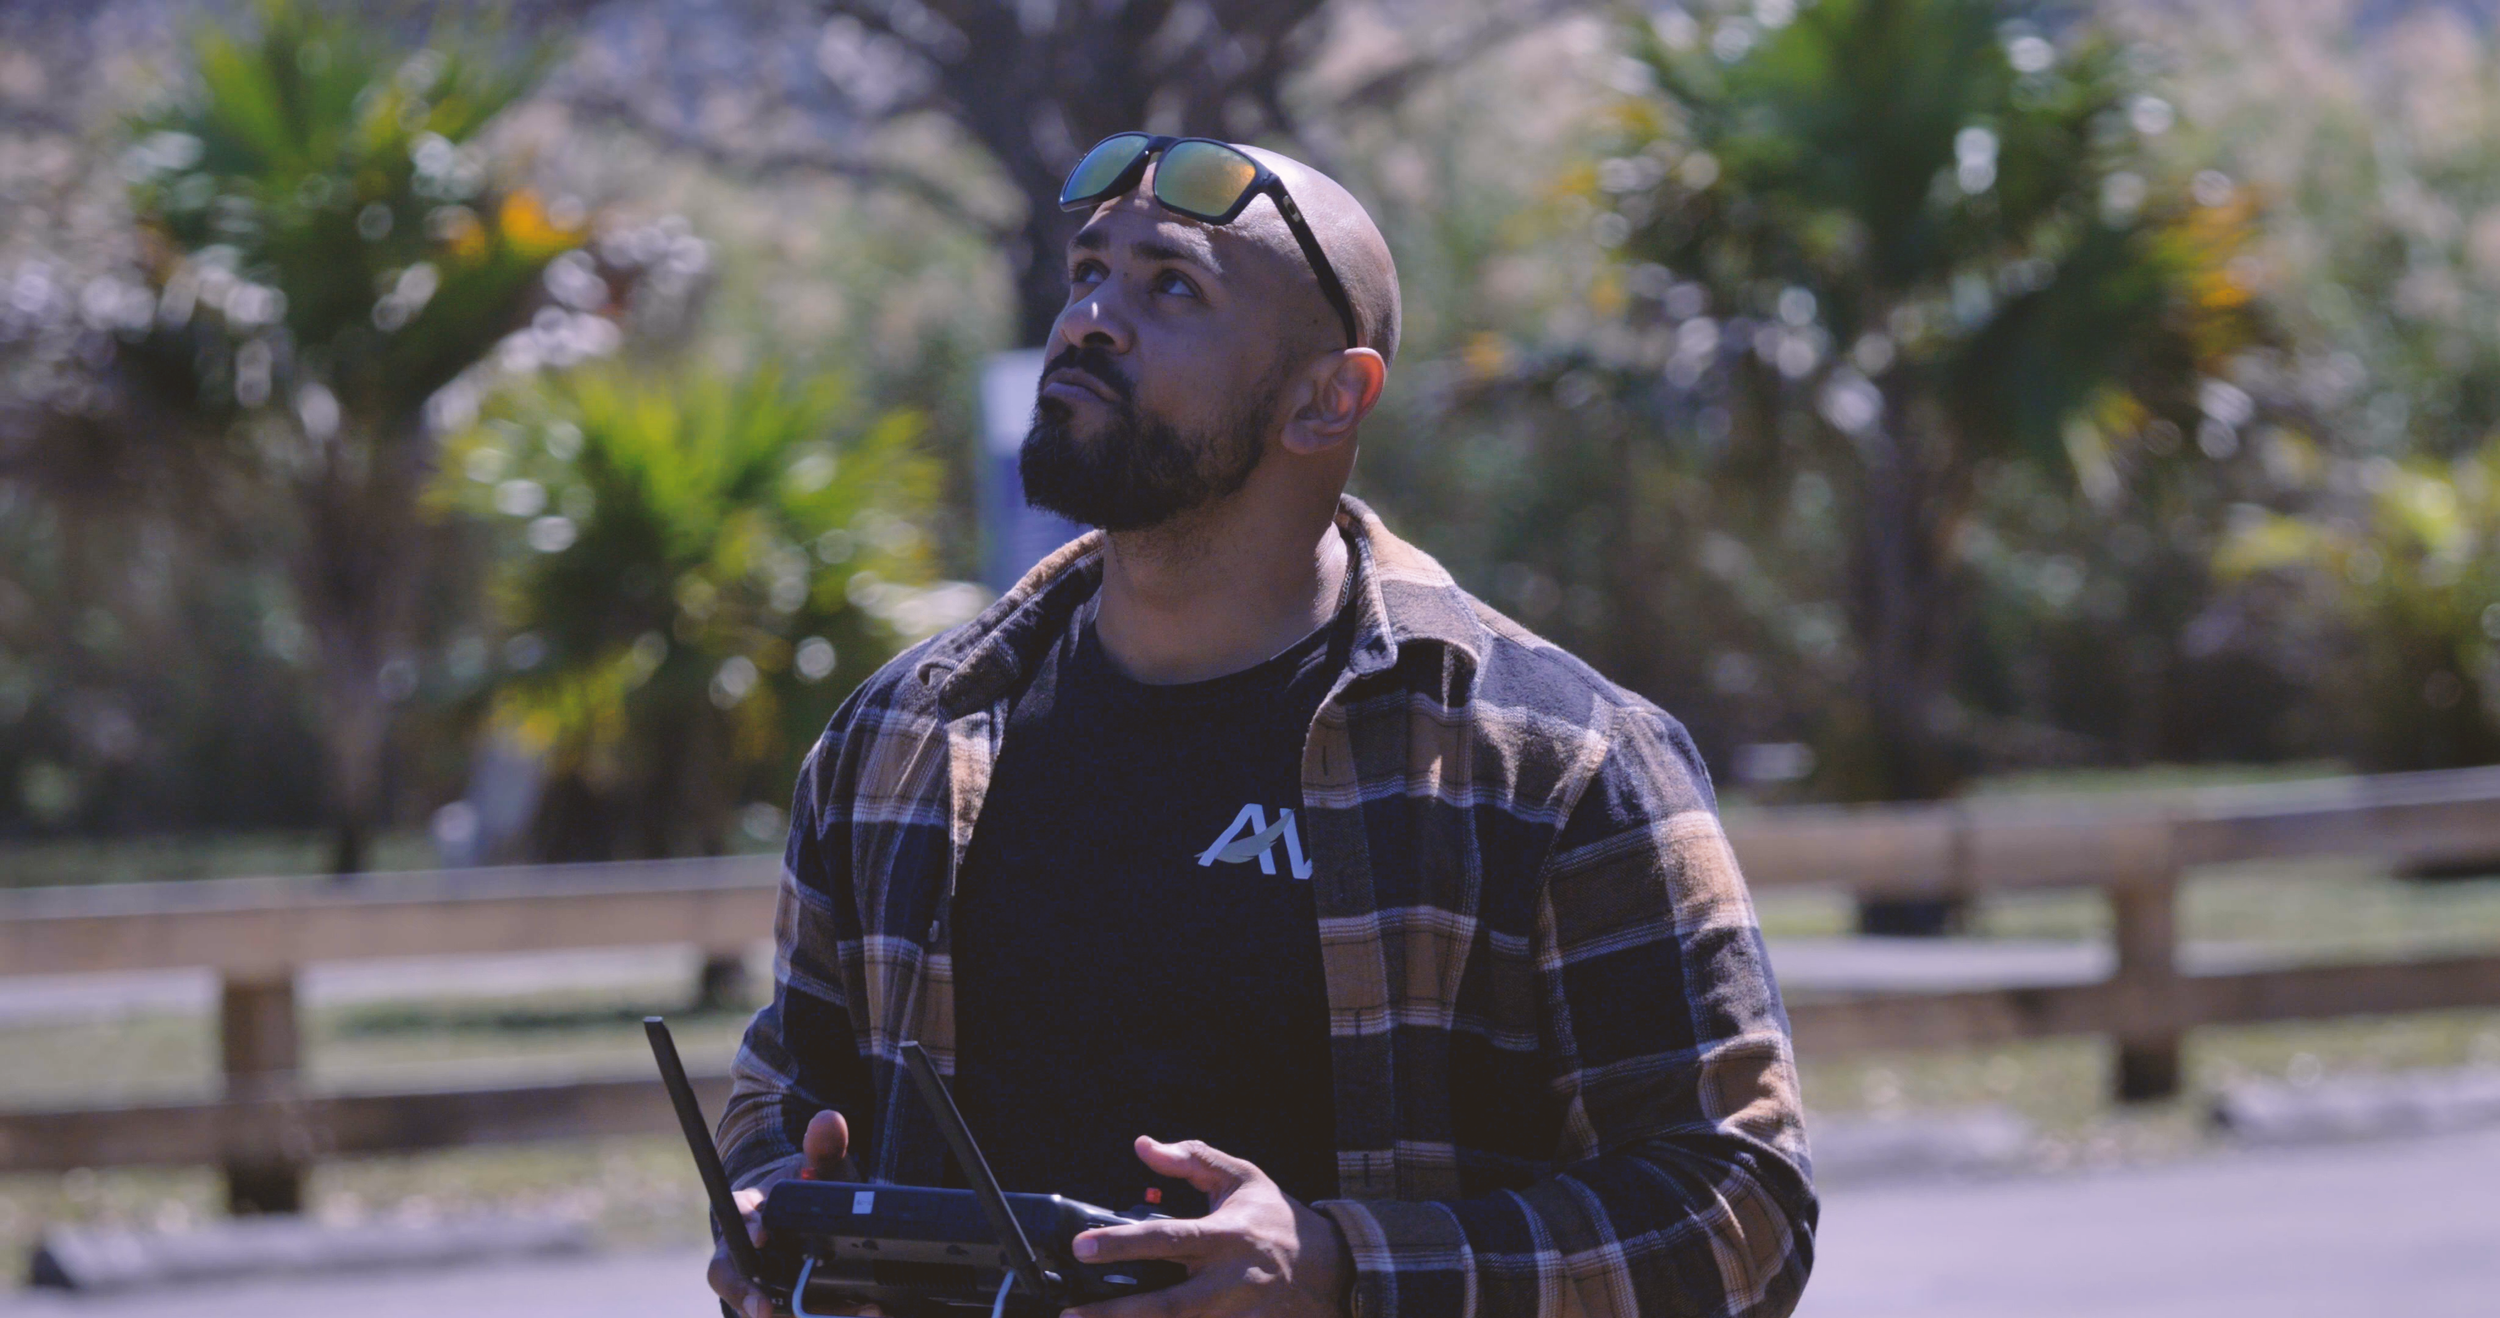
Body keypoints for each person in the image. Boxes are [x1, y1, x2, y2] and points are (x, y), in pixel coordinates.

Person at [709, 134, 1816, 1318]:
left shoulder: (1556, 759)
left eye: (1169, 286)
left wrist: (1341, 1267)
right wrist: (780, 1210)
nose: (1089, 318)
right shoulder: (901, 740)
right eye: (1087, 274)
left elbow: (1737, 1210)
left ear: (1327, 397)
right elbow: (784, 1090)